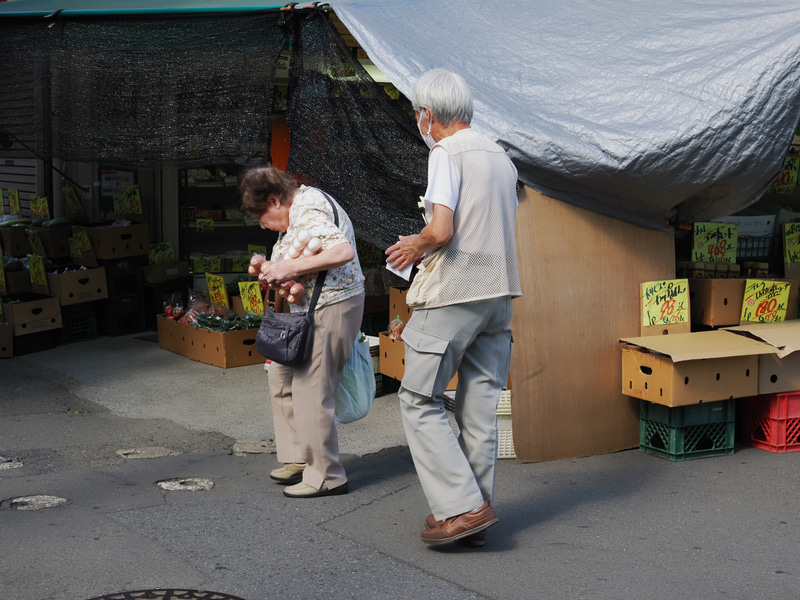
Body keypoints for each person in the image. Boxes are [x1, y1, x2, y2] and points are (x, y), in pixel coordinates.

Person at [385, 69, 521, 546]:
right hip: (499, 295)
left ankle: (462, 508)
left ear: (427, 115)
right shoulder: (501, 156)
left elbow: (441, 229)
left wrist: (415, 244)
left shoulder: (445, 153)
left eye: (417, 114)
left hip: (455, 292)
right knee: (479, 409)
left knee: (418, 398)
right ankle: (474, 513)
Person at [238, 166, 365, 498]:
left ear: (275, 199)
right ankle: (298, 457)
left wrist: (287, 267)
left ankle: (326, 474)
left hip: (332, 306)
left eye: (262, 216)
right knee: (279, 375)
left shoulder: (308, 209)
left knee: (311, 387)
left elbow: (342, 251)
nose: (263, 225)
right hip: (305, 310)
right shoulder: (295, 210)